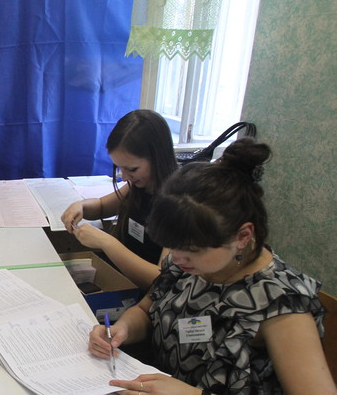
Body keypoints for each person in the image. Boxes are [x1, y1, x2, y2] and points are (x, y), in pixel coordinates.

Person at [88, 139, 336, 394]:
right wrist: (122, 330)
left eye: (193, 251)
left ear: (242, 237)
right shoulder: (186, 263)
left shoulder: (281, 303)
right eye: (172, 247)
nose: (178, 259)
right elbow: (145, 311)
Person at [61, 109, 178, 290]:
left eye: (131, 169)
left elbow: (161, 279)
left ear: (157, 158)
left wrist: (106, 242)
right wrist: (81, 206)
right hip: (119, 279)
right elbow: (100, 207)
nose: (124, 177)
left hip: (145, 294)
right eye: (119, 168)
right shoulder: (139, 187)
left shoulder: (178, 202)